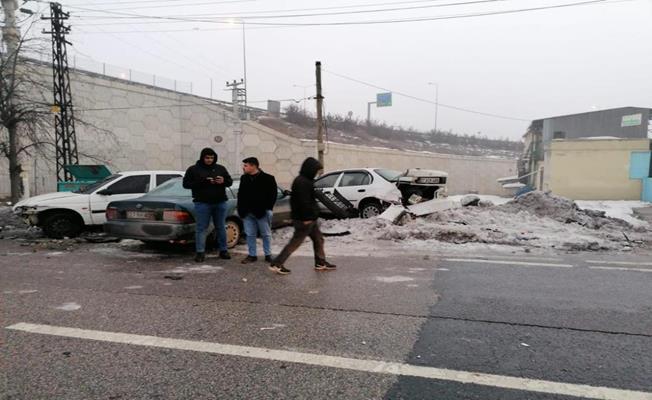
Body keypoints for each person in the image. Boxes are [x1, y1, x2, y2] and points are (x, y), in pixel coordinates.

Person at [269, 157, 336, 275]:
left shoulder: (305, 180)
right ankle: (277, 263)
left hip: (310, 218)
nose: (316, 173)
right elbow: (303, 202)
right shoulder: (302, 182)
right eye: (315, 170)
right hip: (304, 219)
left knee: (318, 239)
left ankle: (320, 262)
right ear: (310, 169)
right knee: (295, 243)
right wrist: (306, 218)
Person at [182, 147, 233, 262]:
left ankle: (223, 251)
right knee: (201, 228)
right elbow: (185, 184)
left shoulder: (220, 168)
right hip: (202, 203)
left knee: (221, 227)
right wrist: (203, 181)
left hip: (220, 202)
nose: (209, 160)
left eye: (212, 158)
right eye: (207, 158)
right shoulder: (193, 169)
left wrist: (223, 181)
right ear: (202, 157)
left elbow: (230, 182)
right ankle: (200, 252)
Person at [237, 157, 278, 264]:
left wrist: (268, 208)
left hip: (262, 212)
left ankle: (268, 255)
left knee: (266, 234)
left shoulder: (268, 178)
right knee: (250, 234)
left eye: (246, 165)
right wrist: (240, 209)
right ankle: (252, 255)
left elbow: (273, 195)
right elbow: (240, 194)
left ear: (253, 166)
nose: (244, 167)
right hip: (247, 212)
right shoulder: (244, 178)